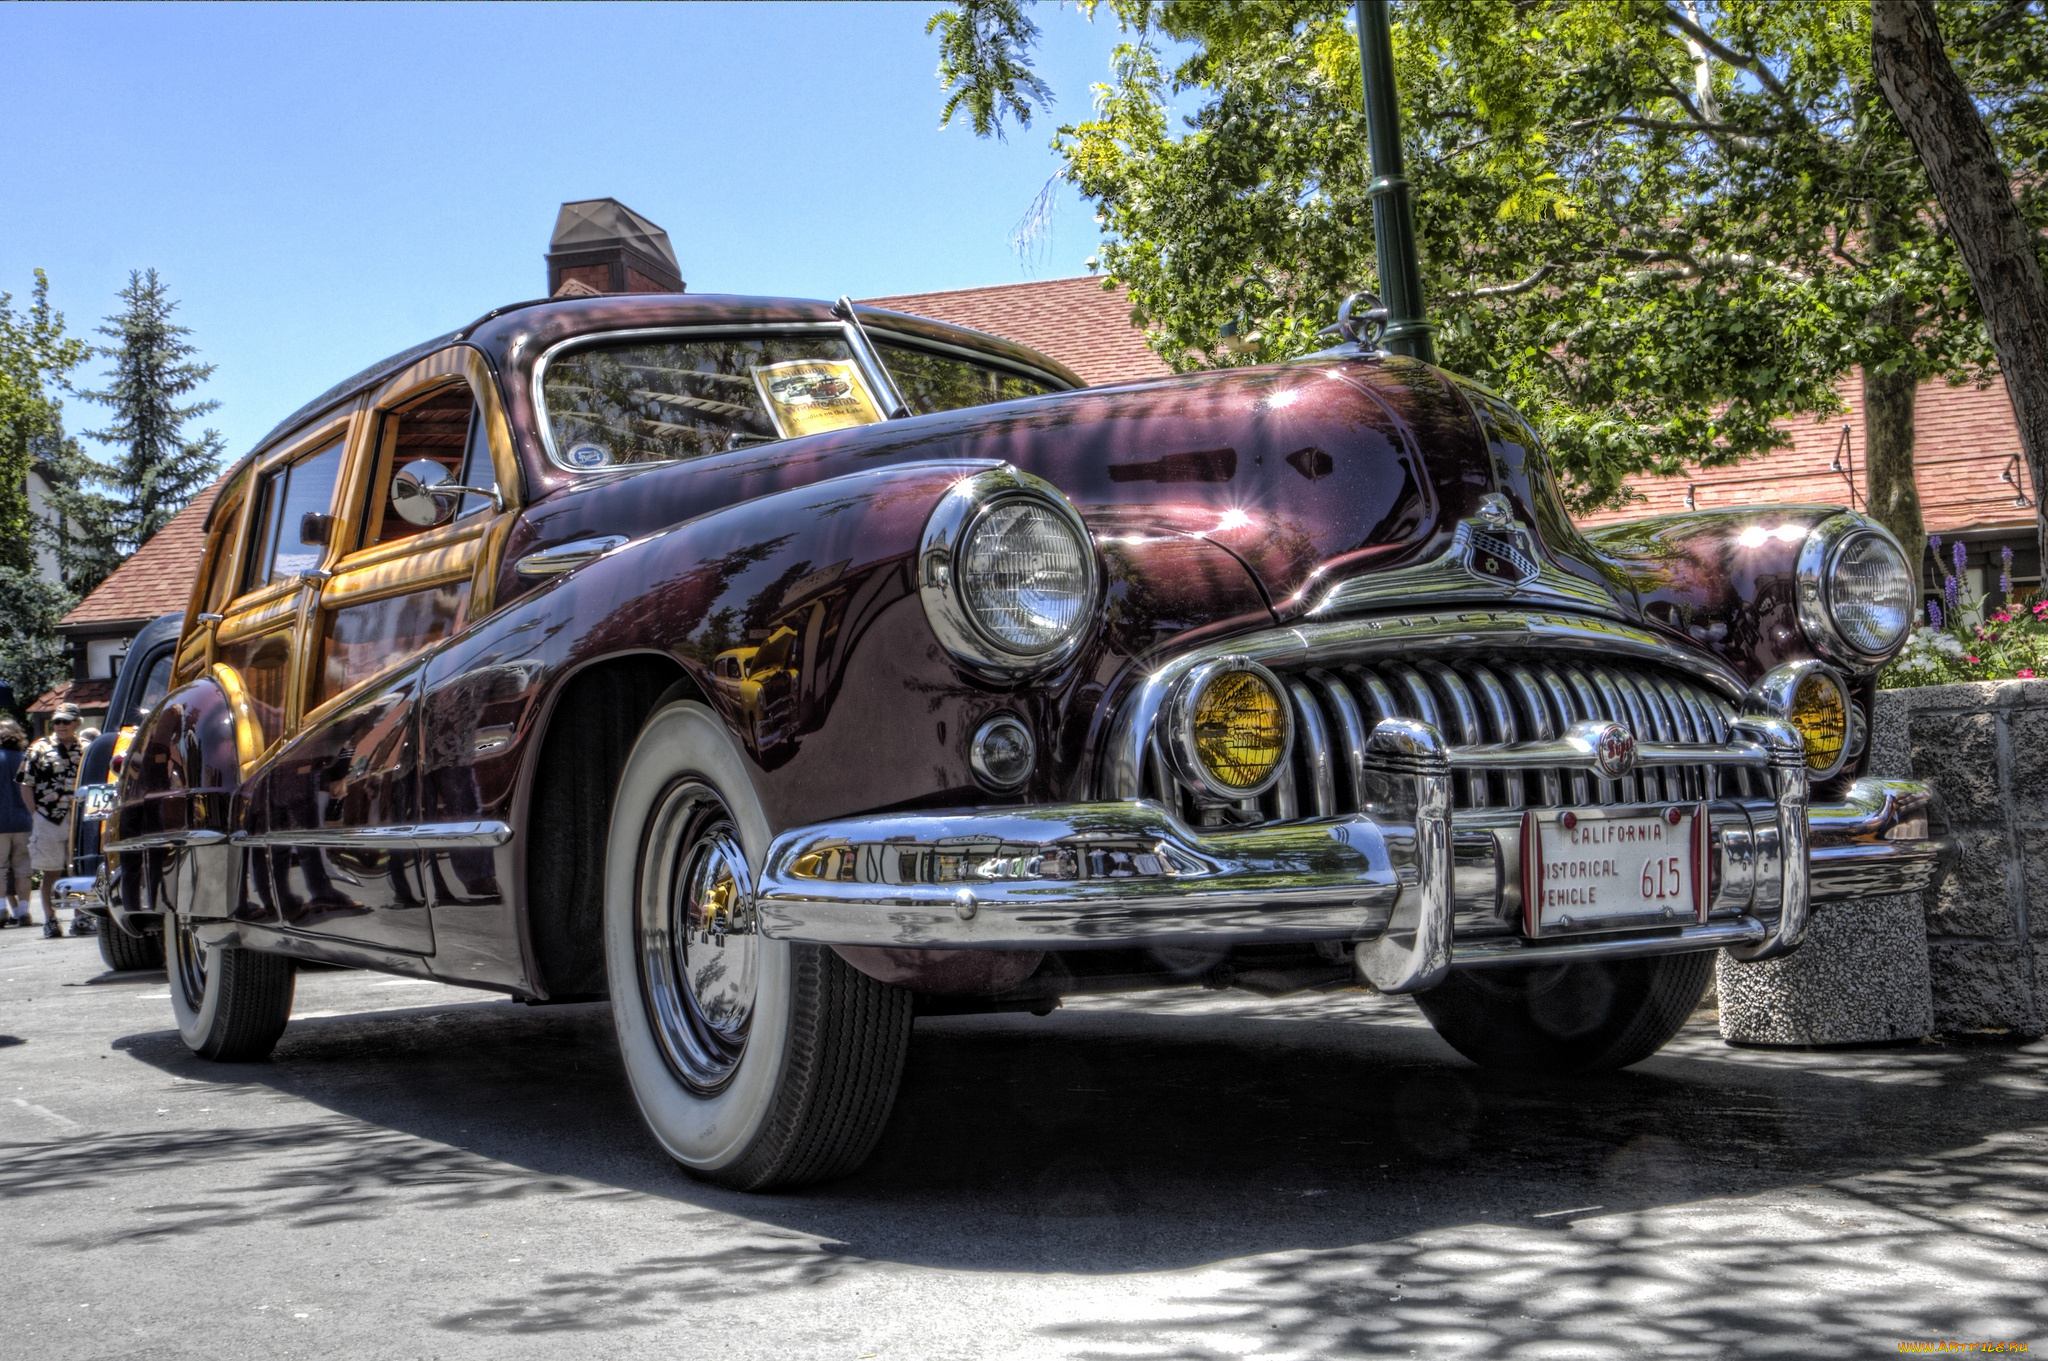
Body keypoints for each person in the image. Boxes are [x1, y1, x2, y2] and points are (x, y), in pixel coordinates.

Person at [18, 704, 91, 939]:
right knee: (50, 872)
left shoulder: (86, 749)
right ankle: (50, 920)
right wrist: (34, 813)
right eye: (57, 721)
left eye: (66, 722)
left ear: (76, 723)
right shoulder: (39, 748)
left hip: (79, 818)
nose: (61, 726)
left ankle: (80, 917)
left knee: (77, 871)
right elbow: (25, 782)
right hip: (48, 818)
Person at [0, 721, 31, 926]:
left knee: (0, 869)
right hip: (24, 821)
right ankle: (24, 912)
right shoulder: (25, 759)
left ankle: (1, 909)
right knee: (23, 869)